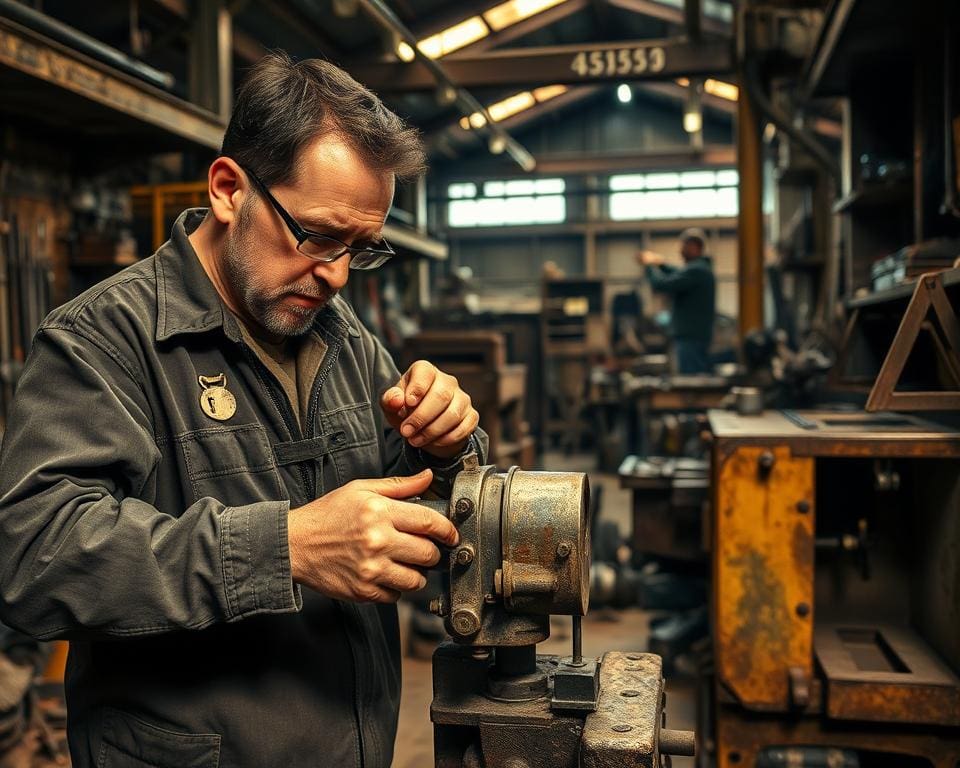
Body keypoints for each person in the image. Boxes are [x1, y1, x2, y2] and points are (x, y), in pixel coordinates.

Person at [0, 53, 486, 768]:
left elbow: (424, 525)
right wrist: (283, 547)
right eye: (317, 235)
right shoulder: (107, 339)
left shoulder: (341, 336)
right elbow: (33, 557)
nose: (337, 274)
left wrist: (444, 452)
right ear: (230, 190)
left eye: (361, 249)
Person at [636, 227, 716, 374]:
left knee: (692, 379)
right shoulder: (700, 269)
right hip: (694, 336)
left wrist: (648, 266)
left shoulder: (696, 271)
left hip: (690, 337)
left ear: (694, 246)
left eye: (683, 246)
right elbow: (677, 273)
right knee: (694, 375)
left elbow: (662, 284)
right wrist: (660, 263)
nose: (680, 251)